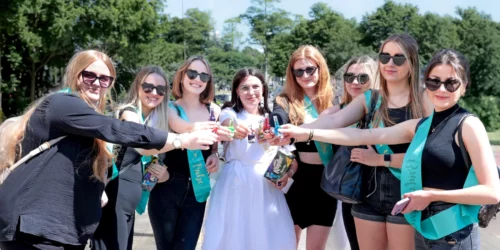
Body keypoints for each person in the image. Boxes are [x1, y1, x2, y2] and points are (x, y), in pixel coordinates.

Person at [279, 48, 500, 250]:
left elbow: (492, 192)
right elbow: (362, 135)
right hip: (424, 229)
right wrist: (305, 133)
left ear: (464, 86)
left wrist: (430, 195)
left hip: (453, 232)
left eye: (450, 83)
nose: (441, 89)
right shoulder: (421, 126)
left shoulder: (468, 124)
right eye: (433, 82)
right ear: (426, 84)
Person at [0, 50, 217, 250]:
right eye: (89, 76)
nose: (97, 83)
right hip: (35, 227)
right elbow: (118, 129)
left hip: (63, 228)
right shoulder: (63, 104)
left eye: (104, 79)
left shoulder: (88, 114)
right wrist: (181, 140)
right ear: (76, 74)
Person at [275, 34, 432, 250]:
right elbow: (333, 120)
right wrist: (295, 132)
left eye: (398, 58)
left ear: (412, 62)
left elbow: (431, 155)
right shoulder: (370, 99)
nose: (389, 63)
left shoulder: (425, 99)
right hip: (368, 193)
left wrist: (381, 159)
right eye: (385, 57)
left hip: (406, 192)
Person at [202, 68, 296, 250]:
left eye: (255, 87)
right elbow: (230, 126)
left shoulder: (273, 118)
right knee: (234, 236)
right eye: (244, 88)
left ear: (263, 89)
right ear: (236, 91)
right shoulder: (230, 113)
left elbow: (289, 154)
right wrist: (237, 130)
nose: (251, 92)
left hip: (267, 186)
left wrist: (287, 172)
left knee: (269, 237)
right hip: (236, 185)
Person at [148, 56, 230, 250]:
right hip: (168, 186)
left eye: (204, 75)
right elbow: (180, 126)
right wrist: (197, 127)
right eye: (192, 73)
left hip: (197, 189)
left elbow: (215, 146)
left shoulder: (214, 111)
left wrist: (214, 155)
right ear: (182, 76)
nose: (198, 79)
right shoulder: (169, 107)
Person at [91, 66, 170, 250]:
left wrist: (161, 173)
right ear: (137, 87)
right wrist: (182, 140)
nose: (154, 93)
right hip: (114, 199)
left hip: (128, 205)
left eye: (160, 89)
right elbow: (140, 140)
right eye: (148, 87)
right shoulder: (129, 112)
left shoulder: (157, 120)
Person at [270, 45, 337, 250]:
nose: (305, 75)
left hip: (327, 181)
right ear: (292, 74)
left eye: (310, 69)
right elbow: (278, 122)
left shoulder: (335, 100)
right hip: (296, 179)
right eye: (299, 71)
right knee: (288, 243)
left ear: (320, 68)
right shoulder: (285, 100)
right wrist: (277, 132)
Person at [320, 55, 378, 250]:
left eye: (363, 78)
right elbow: (326, 154)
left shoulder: (387, 111)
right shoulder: (333, 113)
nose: (354, 82)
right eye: (349, 76)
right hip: (351, 191)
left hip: (383, 190)